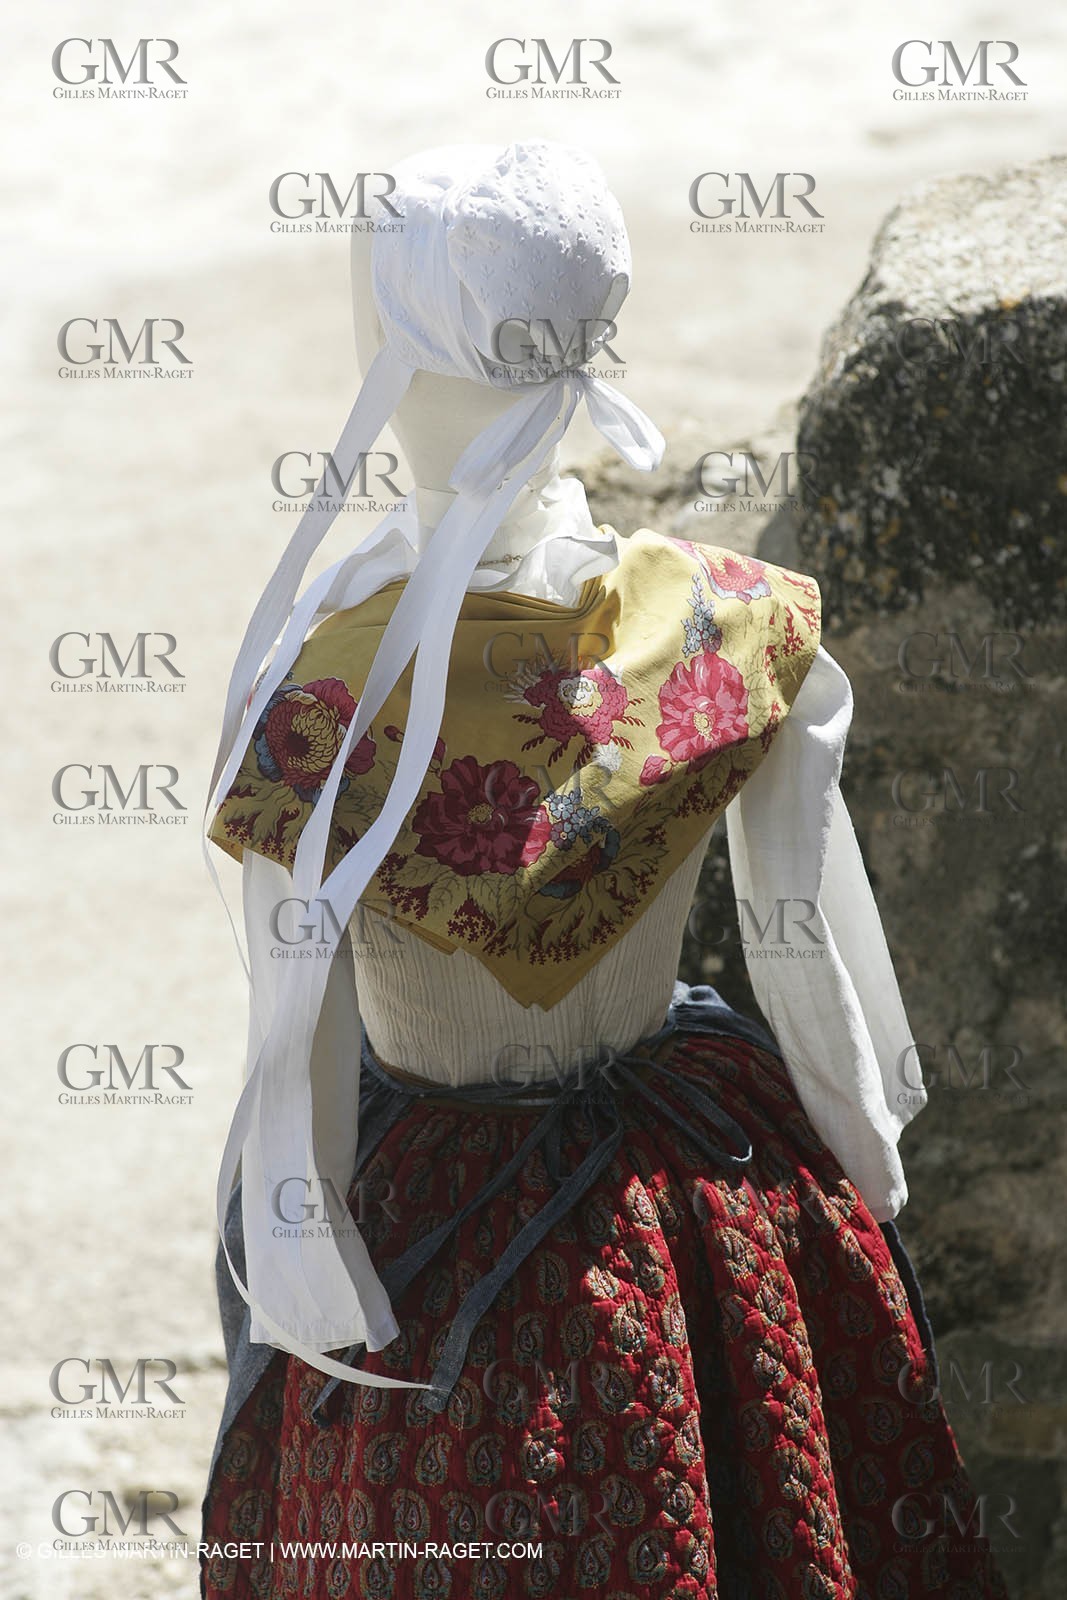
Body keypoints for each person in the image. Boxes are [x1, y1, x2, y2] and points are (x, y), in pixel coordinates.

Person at [200, 140, 1007, 1600]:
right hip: (700, 1191)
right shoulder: (722, 626)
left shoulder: (324, 692)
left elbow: (296, 1061)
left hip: (422, 1241)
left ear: (390, 354)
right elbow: (798, 939)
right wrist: (863, 1158)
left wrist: (310, 1283)